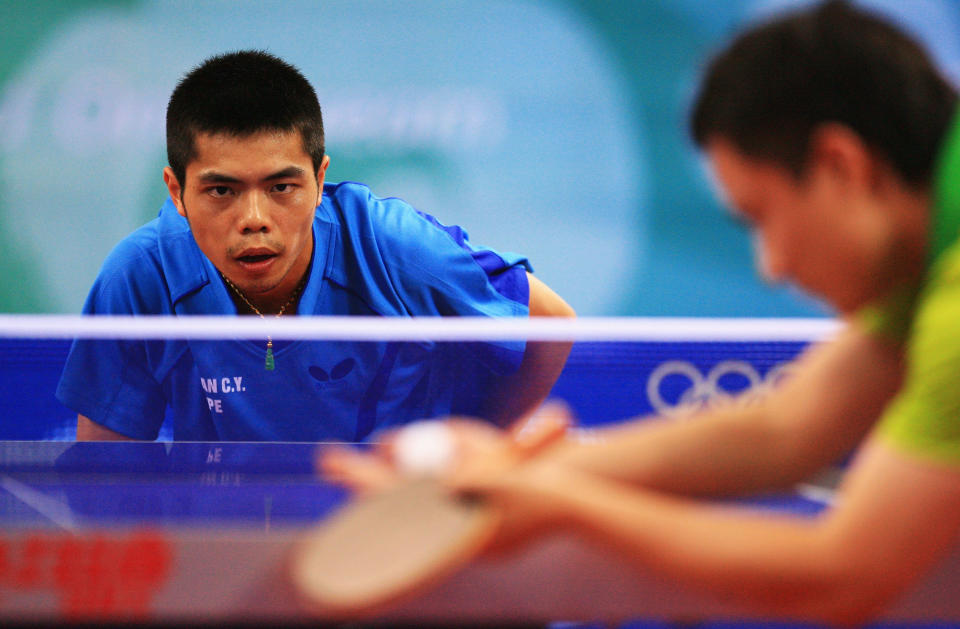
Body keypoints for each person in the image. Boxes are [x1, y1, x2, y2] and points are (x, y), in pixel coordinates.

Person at [322, 2, 960, 625]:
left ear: (838, 167)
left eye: (761, 217)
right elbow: (784, 431)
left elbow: (842, 576)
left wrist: (564, 503)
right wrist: (512, 470)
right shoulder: (927, 245)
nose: (771, 267)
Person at [55, 50, 574, 442]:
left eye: (282, 187)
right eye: (221, 191)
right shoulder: (143, 274)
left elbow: (549, 323)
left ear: (320, 179)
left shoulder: (391, 246)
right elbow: (104, 469)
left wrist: (480, 444)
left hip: (385, 522)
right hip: (222, 528)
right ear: (177, 191)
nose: (254, 221)